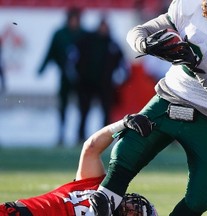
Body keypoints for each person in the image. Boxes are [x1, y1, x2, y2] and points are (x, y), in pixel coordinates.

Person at [90, 0, 207, 215]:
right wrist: (146, 44)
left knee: (200, 198)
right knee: (125, 153)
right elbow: (138, 32)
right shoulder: (190, 8)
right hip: (169, 99)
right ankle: (100, 208)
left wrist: (197, 67)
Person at [0, 113, 158, 216]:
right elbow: (91, 149)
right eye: (135, 206)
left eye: (136, 214)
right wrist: (122, 124)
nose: (130, 209)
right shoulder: (99, 186)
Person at [38, 7, 86, 145]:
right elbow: (51, 52)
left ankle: (80, 134)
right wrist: (42, 68)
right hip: (64, 76)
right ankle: (61, 133)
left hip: (81, 78)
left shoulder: (84, 34)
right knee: (63, 105)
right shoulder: (59, 34)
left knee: (82, 106)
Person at [76, 16, 129, 142]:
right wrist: (80, 75)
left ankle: (105, 138)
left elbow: (122, 63)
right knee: (84, 111)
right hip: (87, 83)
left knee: (106, 112)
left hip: (105, 84)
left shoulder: (112, 43)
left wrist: (121, 79)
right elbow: (76, 60)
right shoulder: (87, 41)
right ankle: (80, 136)